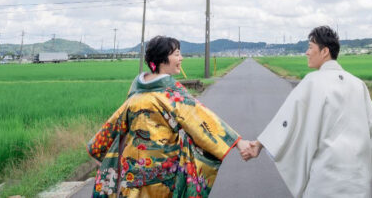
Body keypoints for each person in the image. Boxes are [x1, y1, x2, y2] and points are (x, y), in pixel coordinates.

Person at [87, 35, 254, 197]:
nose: (181, 58)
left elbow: (116, 122)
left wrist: (100, 148)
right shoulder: (171, 91)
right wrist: (237, 142)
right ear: (162, 58)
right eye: (176, 54)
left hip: (132, 170)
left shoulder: (136, 89)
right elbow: (199, 116)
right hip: (161, 172)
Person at [246, 26, 372, 197]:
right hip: (358, 182)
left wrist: (260, 144)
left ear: (324, 52)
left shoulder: (313, 82)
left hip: (326, 181)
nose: (307, 53)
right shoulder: (358, 84)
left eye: (310, 47)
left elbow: (287, 120)